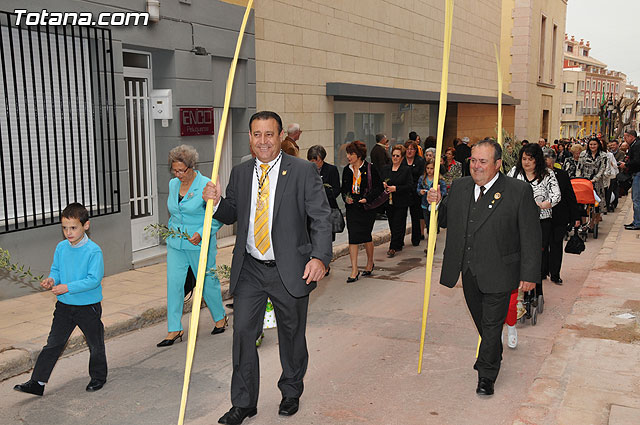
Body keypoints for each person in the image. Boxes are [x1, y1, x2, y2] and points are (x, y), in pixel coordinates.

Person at [203, 111, 332, 424]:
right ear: (249, 137)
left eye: (269, 134)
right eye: (257, 134)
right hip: (250, 268)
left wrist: (320, 257)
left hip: (289, 268)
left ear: (280, 136)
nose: (262, 141)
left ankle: (290, 390)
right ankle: (244, 402)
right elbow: (232, 212)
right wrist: (217, 202)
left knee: (291, 335)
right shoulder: (241, 171)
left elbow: (321, 217)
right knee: (244, 334)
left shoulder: (301, 171)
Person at [427, 139, 540, 396]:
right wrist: (437, 201)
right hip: (468, 271)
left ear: (497, 164)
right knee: (483, 322)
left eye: (483, 161)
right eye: (473, 161)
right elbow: (446, 219)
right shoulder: (460, 187)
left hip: (500, 271)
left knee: (491, 325)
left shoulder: (518, 191)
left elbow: (531, 236)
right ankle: (493, 350)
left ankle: (486, 374)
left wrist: (529, 274)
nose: (476, 167)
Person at [14, 203, 107, 396]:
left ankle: (98, 377)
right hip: (64, 305)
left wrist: (68, 287)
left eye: (73, 228)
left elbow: (93, 279)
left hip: (87, 306)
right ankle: (37, 382)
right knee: (53, 343)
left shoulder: (93, 251)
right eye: (65, 228)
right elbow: (56, 269)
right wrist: (52, 279)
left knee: (95, 343)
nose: (68, 232)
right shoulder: (61, 247)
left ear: (86, 226)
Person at [157, 145, 227, 348]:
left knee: (207, 282)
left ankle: (220, 317)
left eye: (182, 170)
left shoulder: (206, 185)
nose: (178, 174)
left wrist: (202, 233)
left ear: (191, 167)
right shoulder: (172, 184)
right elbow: (174, 211)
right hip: (176, 243)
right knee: (174, 284)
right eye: (174, 170)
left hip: (200, 243)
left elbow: (218, 217)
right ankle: (174, 328)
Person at [508, 143, 561, 299]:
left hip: (541, 221)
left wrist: (541, 206)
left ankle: (536, 290)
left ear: (537, 160)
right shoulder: (514, 172)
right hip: (518, 222)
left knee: (535, 255)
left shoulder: (548, 174)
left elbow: (556, 195)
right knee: (518, 254)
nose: (526, 162)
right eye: (524, 159)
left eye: (530, 159)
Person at [341, 140, 383, 282]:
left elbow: (379, 188)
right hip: (352, 208)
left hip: (366, 208)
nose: (348, 156)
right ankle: (354, 269)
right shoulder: (347, 170)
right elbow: (344, 189)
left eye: (351, 153)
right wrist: (346, 198)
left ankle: (370, 262)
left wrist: (367, 198)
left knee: (366, 236)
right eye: (348, 153)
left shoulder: (370, 168)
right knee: (353, 237)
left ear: (359, 155)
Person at [543, 149, 581, 284]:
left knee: (556, 245)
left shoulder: (562, 175)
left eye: (549, 160)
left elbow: (570, 197)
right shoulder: (537, 176)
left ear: (553, 161)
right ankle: (543, 271)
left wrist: (576, 217)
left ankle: (555, 274)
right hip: (542, 217)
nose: (547, 163)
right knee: (542, 245)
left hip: (559, 217)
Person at [380, 144, 413, 258]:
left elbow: (409, 186)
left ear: (402, 158)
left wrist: (396, 188)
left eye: (397, 156)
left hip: (401, 201)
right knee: (392, 223)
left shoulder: (405, 170)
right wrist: (383, 184)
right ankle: (398, 242)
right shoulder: (386, 169)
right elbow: (380, 181)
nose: (395, 158)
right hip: (388, 201)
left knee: (398, 223)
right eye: (393, 155)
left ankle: (392, 247)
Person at [307, 145, 341, 246]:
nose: (314, 164)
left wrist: (324, 193)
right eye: (311, 161)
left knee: (325, 239)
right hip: (310, 211)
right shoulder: (306, 170)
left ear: (322, 159)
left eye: (316, 161)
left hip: (326, 209)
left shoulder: (331, 169)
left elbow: (336, 189)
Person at [417, 158, 446, 253]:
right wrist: (420, 192)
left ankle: (430, 245)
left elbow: (444, 191)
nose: (429, 170)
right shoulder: (422, 178)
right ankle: (430, 243)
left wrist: (437, 194)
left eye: (431, 168)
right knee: (428, 224)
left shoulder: (439, 180)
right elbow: (418, 188)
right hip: (425, 205)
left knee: (432, 225)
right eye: (428, 168)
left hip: (435, 206)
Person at [577, 137, 607, 226]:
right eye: (591, 144)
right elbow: (579, 167)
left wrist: (595, 179)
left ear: (598, 145)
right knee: (583, 202)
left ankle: (594, 223)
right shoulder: (583, 154)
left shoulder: (603, 155)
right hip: (584, 181)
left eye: (594, 144)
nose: (592, 146)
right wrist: (579, 178)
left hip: (597, 182)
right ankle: (584, 223)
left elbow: (602, 169)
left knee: (597, 204)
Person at [402, 141, 425, 246]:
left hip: (415, 192)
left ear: (416, 150)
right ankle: (399, 241)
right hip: (403, 191)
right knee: (401, 217)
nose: (409, 151)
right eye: (407, 149)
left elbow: (421, 177)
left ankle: (416, 238)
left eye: (412, 149)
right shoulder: (401, 161)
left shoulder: (420, 161)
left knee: (415, 216)